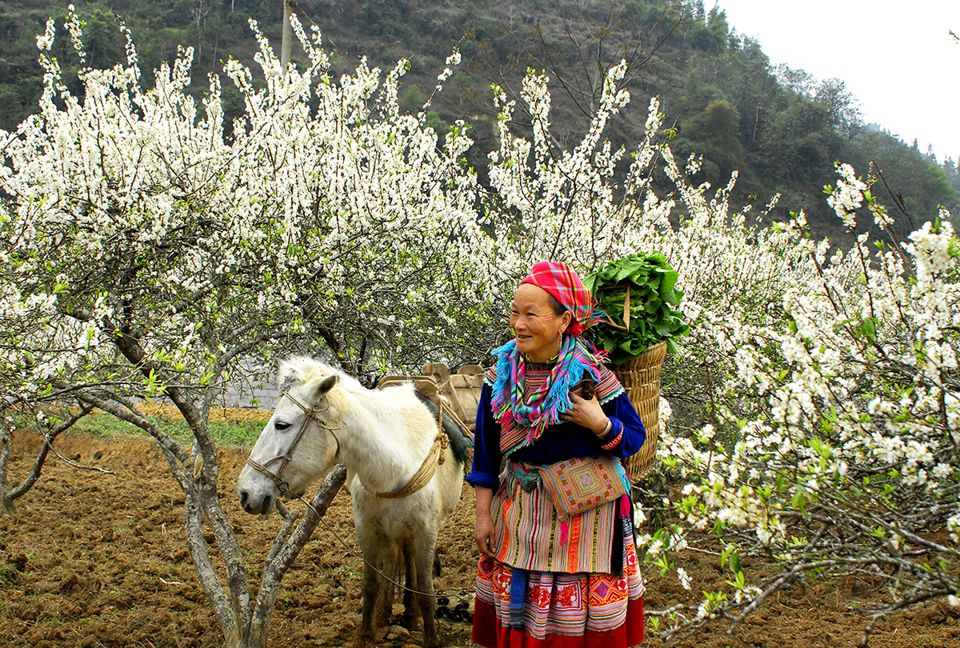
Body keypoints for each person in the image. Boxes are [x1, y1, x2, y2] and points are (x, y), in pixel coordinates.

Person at [468, 261, 647, 648]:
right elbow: (485, 457)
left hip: (584, 517)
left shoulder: (591, 375)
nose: (518, 324)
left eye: (531, 314)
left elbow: (635, 437)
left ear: (564, 320)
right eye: (515, 312)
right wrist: (483, 516)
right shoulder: (499, 379)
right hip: (520, 514)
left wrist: (599, 423)